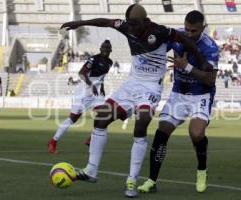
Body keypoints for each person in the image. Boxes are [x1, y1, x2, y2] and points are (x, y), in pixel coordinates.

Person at [60, 4, 210, 198]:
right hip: (131, 84)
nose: (131, 28)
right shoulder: (126, 26)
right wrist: (79, 23)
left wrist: (201, 60)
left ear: (145, 22)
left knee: (141, 125)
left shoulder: (160, 31)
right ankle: (91, 170)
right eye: (129, 24)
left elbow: (186, 41)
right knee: (101, 118)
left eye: (135, 24)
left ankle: (131, 180)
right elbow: (104, 22)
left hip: (150, 88)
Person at [138, 10, 219, 194]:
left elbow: (210, 80)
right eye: (187, 29)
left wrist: (187, 67)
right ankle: (151, 181)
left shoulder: (210, 47)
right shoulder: (176, 36)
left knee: (196, 134)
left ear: (203, 28)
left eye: (194, 31)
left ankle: (202, 171)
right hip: (178, 93)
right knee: (162, 131)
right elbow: (156, 47)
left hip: (201, 94)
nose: (189, 34)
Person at [47, 40, 113, 153]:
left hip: (96, 94)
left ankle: (91, 139)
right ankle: (53, 141)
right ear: (100, 49)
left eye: (108, 50)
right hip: (84, 92)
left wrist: (101, 87)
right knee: (73, 119)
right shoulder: (93, 59)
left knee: (106, 114)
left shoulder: (110, 62)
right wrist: (91, 85)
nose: (105, 51)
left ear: (110, 51)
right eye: (104, 49)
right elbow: (81, 73)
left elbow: (102, 77)